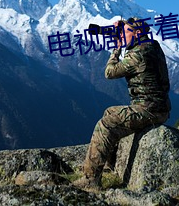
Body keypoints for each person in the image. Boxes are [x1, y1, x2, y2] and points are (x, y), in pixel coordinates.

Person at [73, 17, 171, 189]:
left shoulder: (138, 55)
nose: (122, 36)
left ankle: (90, 180)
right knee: (109, 111)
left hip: (148, 109)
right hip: (159, 106)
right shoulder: (152, 46)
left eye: (126, 32)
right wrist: (123, 28)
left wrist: (116, 49)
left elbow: (109, 73)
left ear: (138, 33)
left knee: (105, 124)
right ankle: (110, 165)